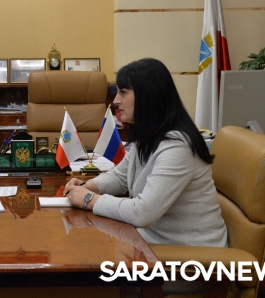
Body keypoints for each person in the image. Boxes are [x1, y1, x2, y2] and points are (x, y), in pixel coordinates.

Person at [64, 58, 227, 248]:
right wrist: (89, 185)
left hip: (190, 250)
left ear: (147, 96)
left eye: (123, 92)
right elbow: (120, 176)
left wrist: (89, 199)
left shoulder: (178, 147)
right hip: (152, 239)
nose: (116, 101)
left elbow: (143, 213)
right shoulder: (150, 135)